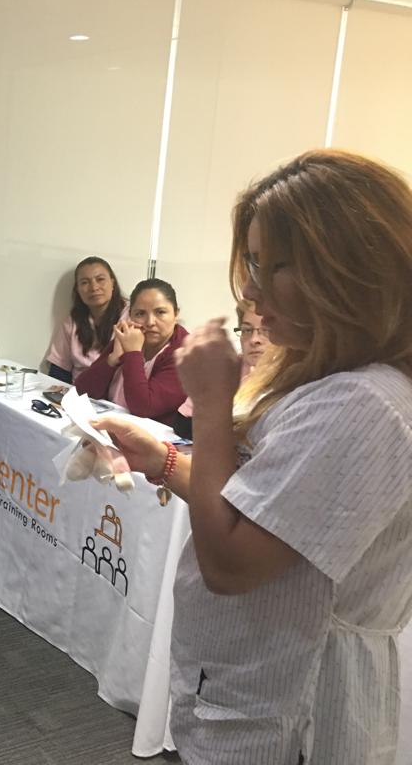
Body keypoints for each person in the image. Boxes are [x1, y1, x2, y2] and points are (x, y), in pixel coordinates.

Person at [95, 149, 412, 764]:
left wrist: (212, 404)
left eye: (277, 265)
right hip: (258, 686)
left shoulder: (363, 403)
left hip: (291, 705)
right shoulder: (332, 381)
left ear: (351, 267)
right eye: (256, 264)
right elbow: (258, 510)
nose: (253, 290)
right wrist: (162, 460)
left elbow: (232, 561)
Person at [74, 278, 188, 426]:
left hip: (152, 436)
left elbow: (143, 407)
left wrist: (132, 353)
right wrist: (112, 360)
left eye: (160, 312)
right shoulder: (129, 335)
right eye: (140, 314)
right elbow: (82, 390)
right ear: (130, 315)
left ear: (175, 314)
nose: (150, 322)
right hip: (108, 425)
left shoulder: (185, 353)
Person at [175, 300, 269, 437]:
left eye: (266, 330)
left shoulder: (291, 382)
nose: (254, 340)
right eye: (247, 330)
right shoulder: (229, 368)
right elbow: (182, 423)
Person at [45, 256, 127, 382]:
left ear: (113, 283)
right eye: (85, 282)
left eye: (100, 279)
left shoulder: (131, 315)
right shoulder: (72, 322)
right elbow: (59, 370)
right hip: (80, 390)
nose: (94, 287)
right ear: (77, 289)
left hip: (117, 390)